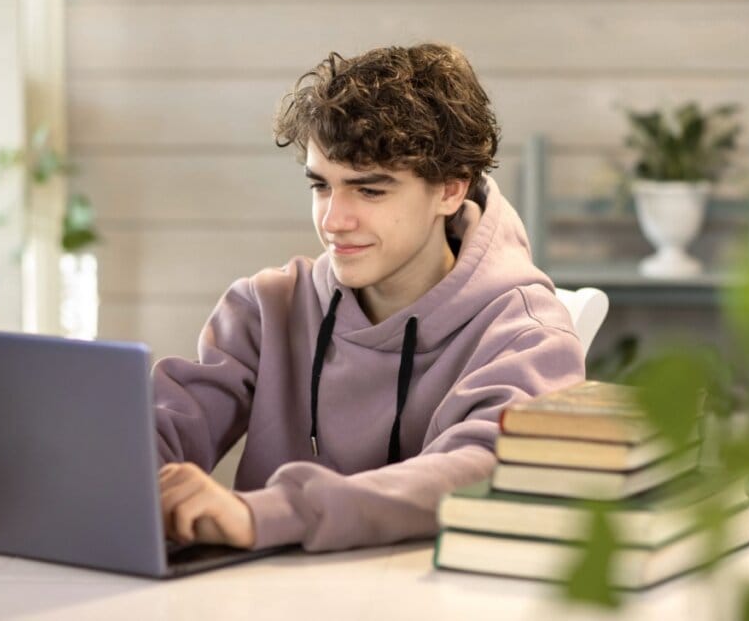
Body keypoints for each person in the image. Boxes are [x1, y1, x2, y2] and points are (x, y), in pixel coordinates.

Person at [153, 43, 585, 552]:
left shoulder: (528, 334)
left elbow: (483, 467)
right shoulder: (267, 308)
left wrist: (272, 512)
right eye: (321, 186)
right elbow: (159, 429)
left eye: (370, 190)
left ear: (450, 190)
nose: (333, 221)